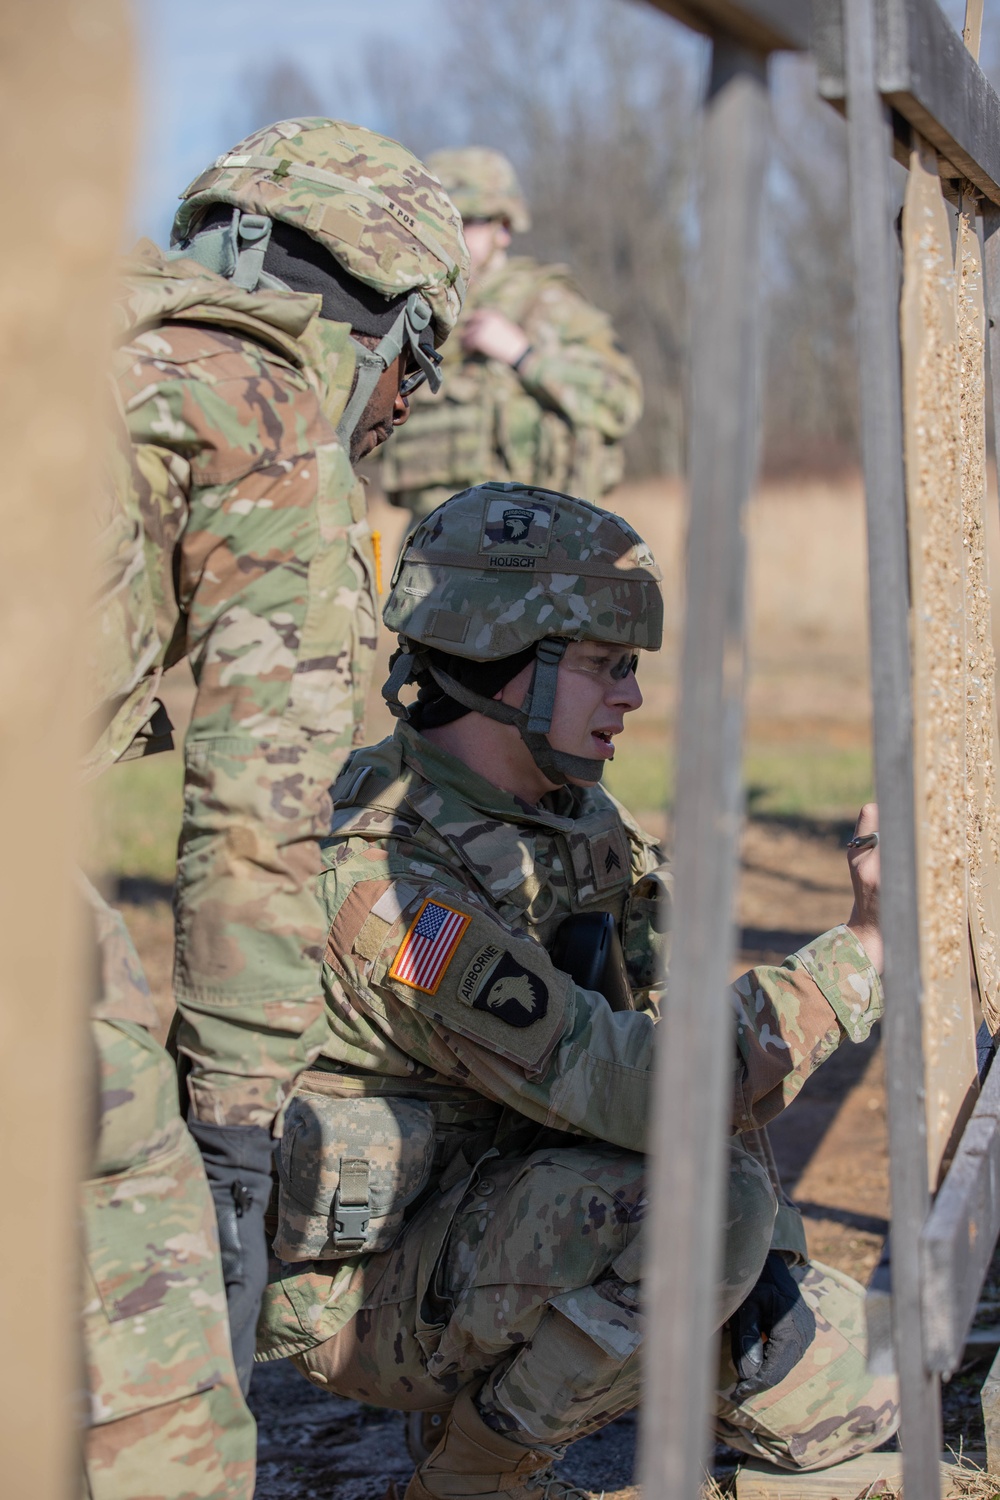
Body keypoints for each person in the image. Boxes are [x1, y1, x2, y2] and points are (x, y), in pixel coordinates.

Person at [257, 482, 898, 1496]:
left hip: (523, 1219)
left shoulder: (567, 822)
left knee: (868, 1381)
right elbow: (655, 1087)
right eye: (604, 668)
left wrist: (761, 1285)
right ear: (499, 662)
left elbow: (685, 1042)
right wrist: (866, 947)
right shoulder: (388, 885)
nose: (630, 698)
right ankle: (472, 1475)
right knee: (705, 1209)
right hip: (374, 1301)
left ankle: (666, 1342)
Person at [82, 118, 469, 1496]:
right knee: (143, 1303)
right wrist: (234, 1147)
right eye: (414, 374)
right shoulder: (267, 402)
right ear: (384, 324)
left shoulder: (70, 309)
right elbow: (253, 824)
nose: (398, 414)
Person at [379, 149, 643, 521]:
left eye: (464, 221)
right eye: (439, 221)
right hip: (431, 549)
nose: (448, 234)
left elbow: (622, 402)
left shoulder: (545, 304)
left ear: (503, 227)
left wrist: (523, 355)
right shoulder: (414, 310)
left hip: (529, 545)